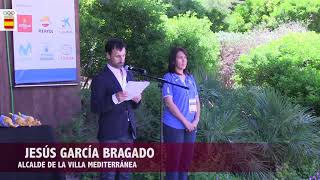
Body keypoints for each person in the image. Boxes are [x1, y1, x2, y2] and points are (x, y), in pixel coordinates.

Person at [91, 38, 141, 180]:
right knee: (108, 174)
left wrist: (137, 100)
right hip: (110, 135)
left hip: (128, 131)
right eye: (117, 56)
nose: (122, 59)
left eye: (124, 55)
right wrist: (114, 98)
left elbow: (131, 104)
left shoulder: (129, 74)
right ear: (108, 55)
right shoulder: (100, 78)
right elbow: (95, 107)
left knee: (126, 174)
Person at [162, 47, 201, 180]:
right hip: (174, 127)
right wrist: (185, 122)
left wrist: (195, 121)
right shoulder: (168, 77)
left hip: (191, 127)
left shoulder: (190, 78)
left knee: (185, 162)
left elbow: (196, 101)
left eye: (185, 58)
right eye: (180, 57)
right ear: (174, 60)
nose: (183, 60)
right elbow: (169, 103)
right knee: (174, 162)